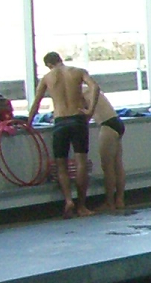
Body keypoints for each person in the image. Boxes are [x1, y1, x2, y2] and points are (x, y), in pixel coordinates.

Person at [29, 52, 101, 218]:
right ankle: (82, 206)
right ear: (60, 59)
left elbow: (36, 103)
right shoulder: (78, 71)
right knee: (81, 162)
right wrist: (90, 110)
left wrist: (28, 122)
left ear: (48, 64)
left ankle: (68, 200)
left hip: (60, 122)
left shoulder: (47, 77)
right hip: (78, 120)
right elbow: (95, 87)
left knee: (61, 165)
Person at [89, 86, 125, 211]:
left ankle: (109, 202)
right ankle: (120, 200)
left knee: (107, 167)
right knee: (118, 165)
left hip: (107, 125)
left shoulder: (80, 91)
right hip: (117, 122)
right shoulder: (89, 89)